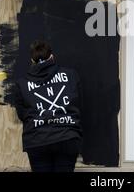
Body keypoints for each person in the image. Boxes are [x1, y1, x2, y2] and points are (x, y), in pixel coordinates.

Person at [13, 40, 82, 172]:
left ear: (32, 61)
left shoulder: (22, 84)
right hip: (67, 137)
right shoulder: (71, 75)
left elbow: (22, 114)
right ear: (52, 57)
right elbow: (78, 104)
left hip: (37, 140)